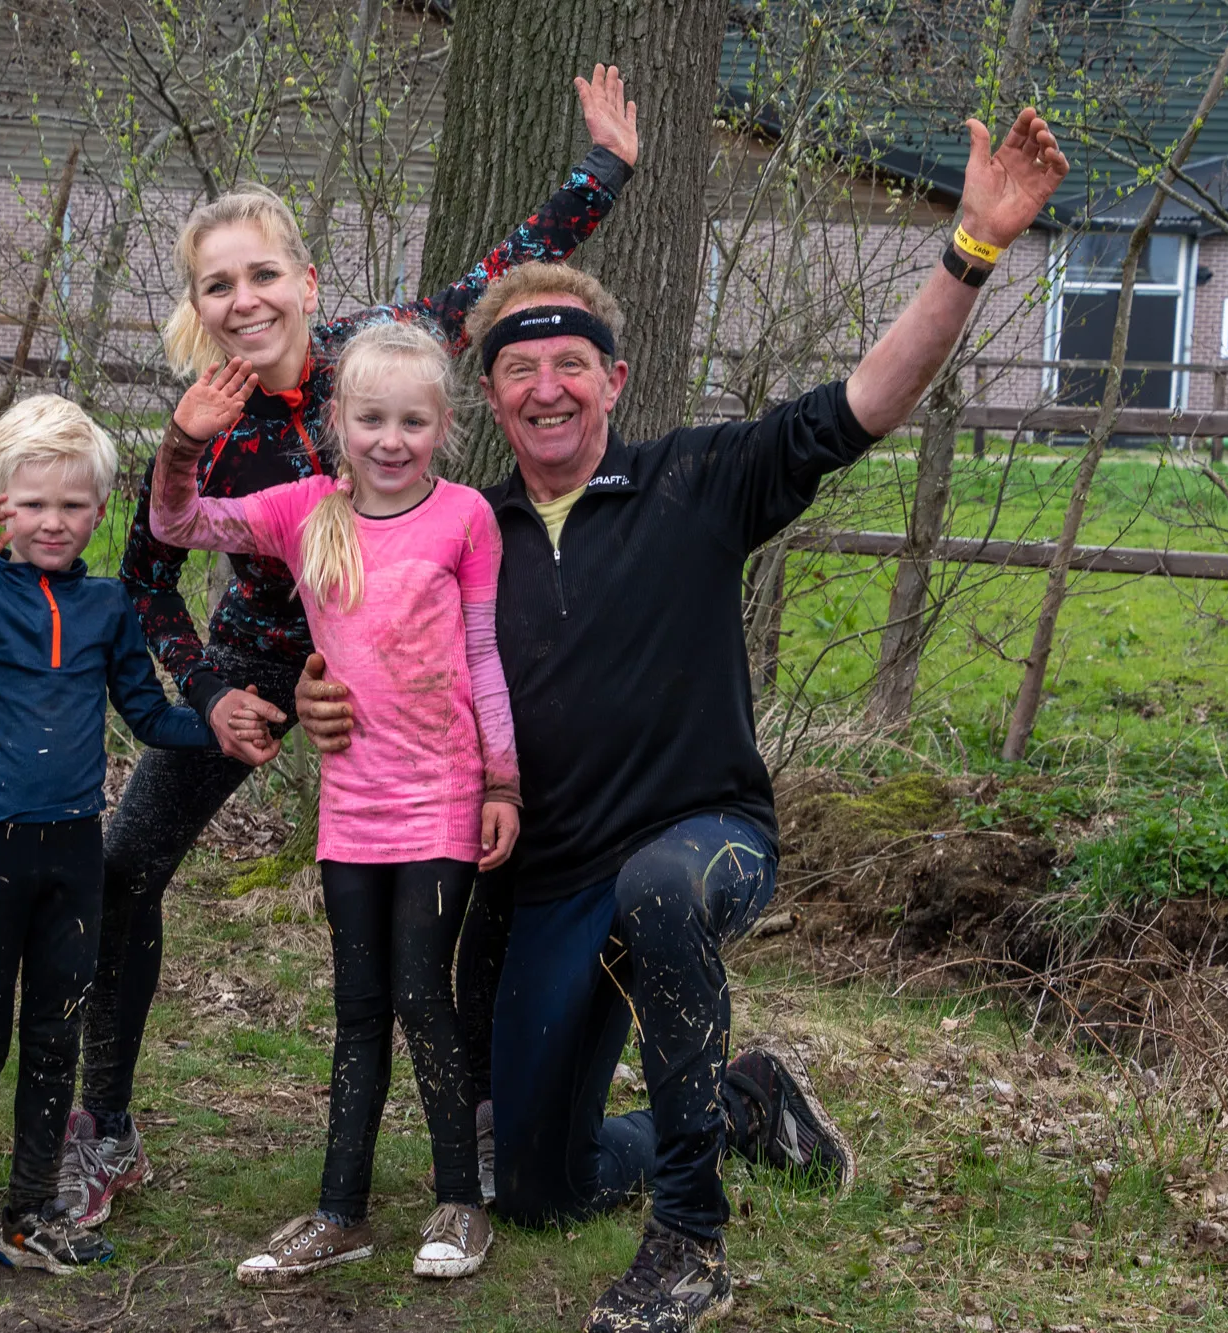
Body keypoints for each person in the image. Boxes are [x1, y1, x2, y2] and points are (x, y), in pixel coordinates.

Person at [296, 109, 1071, 1332]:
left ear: (612, 378)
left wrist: (969, 250)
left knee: (660, 889)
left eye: (571, 364)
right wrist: (314, 693)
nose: (546, 388)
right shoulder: (463, 535)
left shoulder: (699, 480)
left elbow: (863, 402)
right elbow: (376, 655)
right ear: (487, 396)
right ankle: (747, 1104)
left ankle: (688, 1242)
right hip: (548, 880)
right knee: (533, 1186)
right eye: (518, 370)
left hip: (700, 838)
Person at [59, 65, 643, 1230]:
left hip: (411, 661)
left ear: (304, 281)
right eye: (218, 285)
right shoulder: (206, 420)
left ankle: (483, 1116)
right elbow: (147, 577)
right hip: (263, 662)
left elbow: (502, 269)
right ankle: (105, 1129)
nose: (244, 300)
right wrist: (212, 694)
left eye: (262, 274)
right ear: (198, 306)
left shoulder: (375, 354)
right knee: (122, 870)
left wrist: (604, 170)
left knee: (488, 860)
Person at [0, 395, 277, 1310]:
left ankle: (30, 1213)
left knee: (57, 1033)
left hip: (72, 852)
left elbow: (148, 714)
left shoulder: (106, 606)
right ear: (0, 504)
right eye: (33, 504)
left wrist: (223, 727)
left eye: (72, 504)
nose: (52, 522)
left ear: (100, 508)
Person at [153, 321, 519, 1282]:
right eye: (370, 420)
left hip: (442, 797)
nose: (390, 441)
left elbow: (484, 658)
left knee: (420, 993)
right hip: (351, 805)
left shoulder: (466, 519)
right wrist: (184, 443)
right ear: (338, 423)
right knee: (358, 1006)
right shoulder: (304, 512)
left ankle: (459, 1203)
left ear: (444, 426)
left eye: (411, 422)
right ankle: (339, 1212)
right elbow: (178, 525)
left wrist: (502, 781)